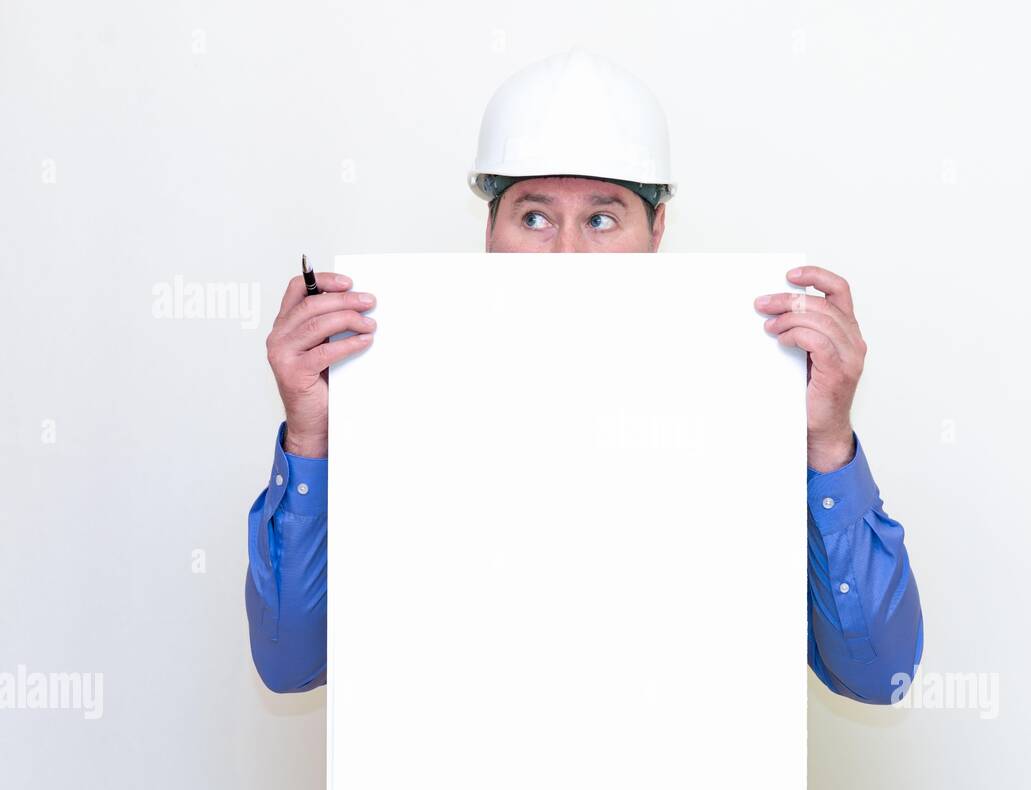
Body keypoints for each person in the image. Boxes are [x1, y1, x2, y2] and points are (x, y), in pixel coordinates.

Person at [245, 48, 923, 704]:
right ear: (490, 229)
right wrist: (312, 437)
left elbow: (875, 675)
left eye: (602, 218)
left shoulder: (745, 392)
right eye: (535, 216)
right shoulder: (395, 393)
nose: (566, 253)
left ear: (657, 229)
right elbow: (291, 663)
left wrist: (827, 442)